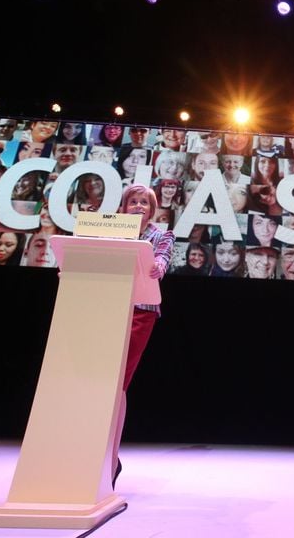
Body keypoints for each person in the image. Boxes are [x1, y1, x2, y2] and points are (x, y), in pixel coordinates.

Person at [110, 183, 174, 488]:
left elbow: (161, 260)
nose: (138, 207)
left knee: (118, 382)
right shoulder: (109, 230)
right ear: (122, 207)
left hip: (140, 310)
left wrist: (157, 266)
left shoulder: (161, 235)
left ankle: (108, 453)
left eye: (144, 203)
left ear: (152, 210)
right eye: (132, 202)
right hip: (104, 309)